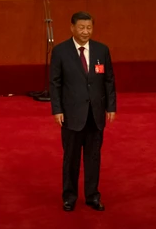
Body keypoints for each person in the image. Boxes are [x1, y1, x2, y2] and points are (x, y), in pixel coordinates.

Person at [50, 11, 116, 212]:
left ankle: (92, 196)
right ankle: (69, 197)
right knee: (71, 159)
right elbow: (55, 83)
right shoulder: (60, 51)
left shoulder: (102, 50)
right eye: (81, 27)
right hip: (71, 115)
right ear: (72, 28)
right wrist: (57, 109)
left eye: (89, 27)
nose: (85, 31)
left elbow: (109, 80)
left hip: (95, 114)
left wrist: (111, 107)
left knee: (93, 158)